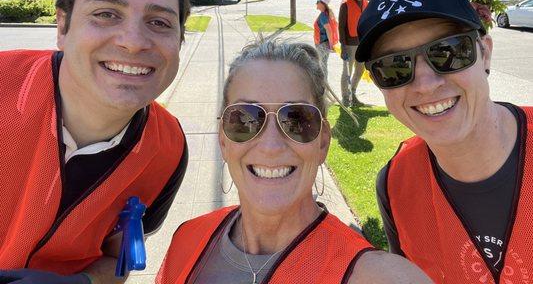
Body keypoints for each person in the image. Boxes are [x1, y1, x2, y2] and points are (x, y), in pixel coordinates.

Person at [157, 39, 432, 283]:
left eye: (298, 119)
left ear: (323, 141)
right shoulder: (187, 240)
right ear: (223, 141)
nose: (271, 146)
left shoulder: (377, 276)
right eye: (245, 119)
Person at [0, 0, 190, 283]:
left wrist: (83, 282)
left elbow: (120, 261)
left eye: (160, 22)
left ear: (179, 42)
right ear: (62, 27)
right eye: (106, 14)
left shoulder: (168, 149)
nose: (132, 41)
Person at [355, 0, 532, 283]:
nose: (425, 85)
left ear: (485, 53)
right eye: (394, 67)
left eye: (448, 51)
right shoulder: (396, 185)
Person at [338, 0, 377, 107]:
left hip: (362, 43)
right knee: (347, 72)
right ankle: (345, 98)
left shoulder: (367, 3)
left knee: (360, 70)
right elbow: (341, 26)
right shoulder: (346, 4)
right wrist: (343, 45)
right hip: (349, 44)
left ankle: (352, 94)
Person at [313, 0, 337, 80]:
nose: (316, 4)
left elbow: (329, 30)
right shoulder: (326, 14)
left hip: (322, 44)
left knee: (318, 64)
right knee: (323, 64)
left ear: (322, 4)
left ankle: (320, 85)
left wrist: (331, 45)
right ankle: (324, 85)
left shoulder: (323, 15)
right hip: (325, 43)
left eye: (317, 2)